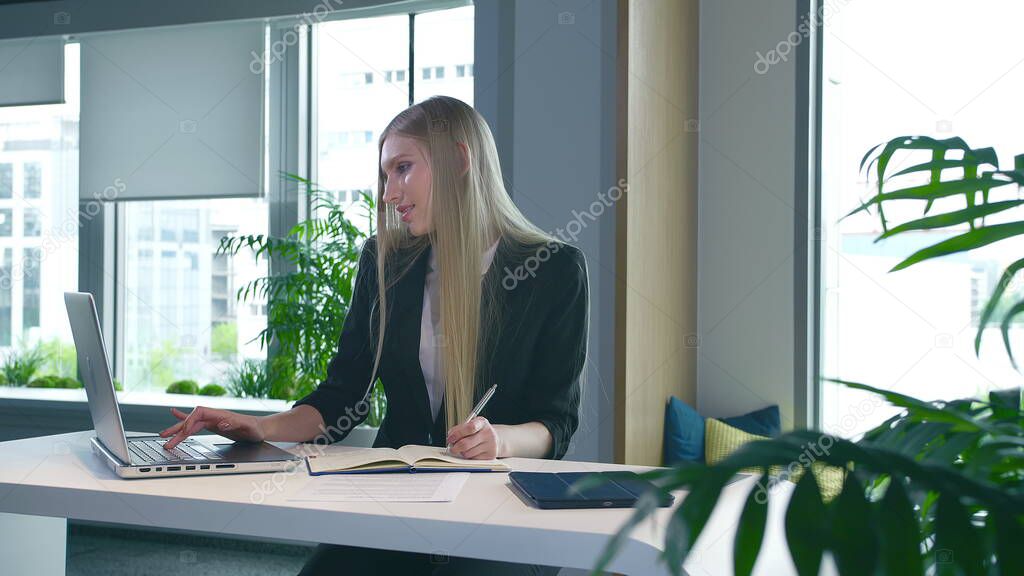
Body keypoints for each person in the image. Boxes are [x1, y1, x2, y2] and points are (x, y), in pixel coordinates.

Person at [158, 95, 589, 575]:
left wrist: (499, 439)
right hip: (396, 501)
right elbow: (343, 394)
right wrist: (263, 429)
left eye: (403, 168)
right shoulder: (384, 263)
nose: (388, 193)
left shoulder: (553, 272)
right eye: (385, 175)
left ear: (461, 161)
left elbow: (556, 424)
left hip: (500, 508)